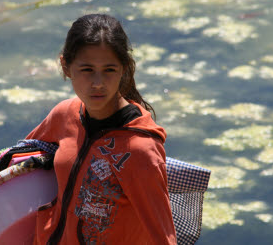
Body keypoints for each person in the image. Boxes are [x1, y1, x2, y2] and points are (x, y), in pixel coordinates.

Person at [25, 14, 177, 244]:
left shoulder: (138, 151)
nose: (98, 83)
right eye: (87, 69)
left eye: (109, 70)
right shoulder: (64, 114)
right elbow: (19, 165)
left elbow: (163, 237)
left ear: (124, 69)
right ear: (66, 66)